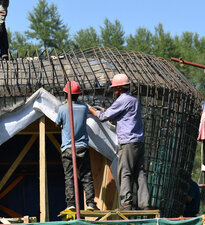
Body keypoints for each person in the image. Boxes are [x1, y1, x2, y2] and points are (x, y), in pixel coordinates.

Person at [89, 73, 151, 210]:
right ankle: (144, 204)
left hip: (128, 142)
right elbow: (122, 117)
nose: (113, 91)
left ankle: (126, 203)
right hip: (138, 141)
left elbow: (104, 116)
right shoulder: (133, 100)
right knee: (140, 173)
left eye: (114, 89)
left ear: (118, 88)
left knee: (125, 171)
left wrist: (92, 110)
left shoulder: (122, 100)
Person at [56, 81, 98, 212]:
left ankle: (71, 204)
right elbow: (89, 111)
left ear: (66, 94)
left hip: (68, 148)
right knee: (86, 175)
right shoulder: (84, 107)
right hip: (82, 147)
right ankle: (91, 203)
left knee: (69, 176)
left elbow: (57, 124)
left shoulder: (63, 109)